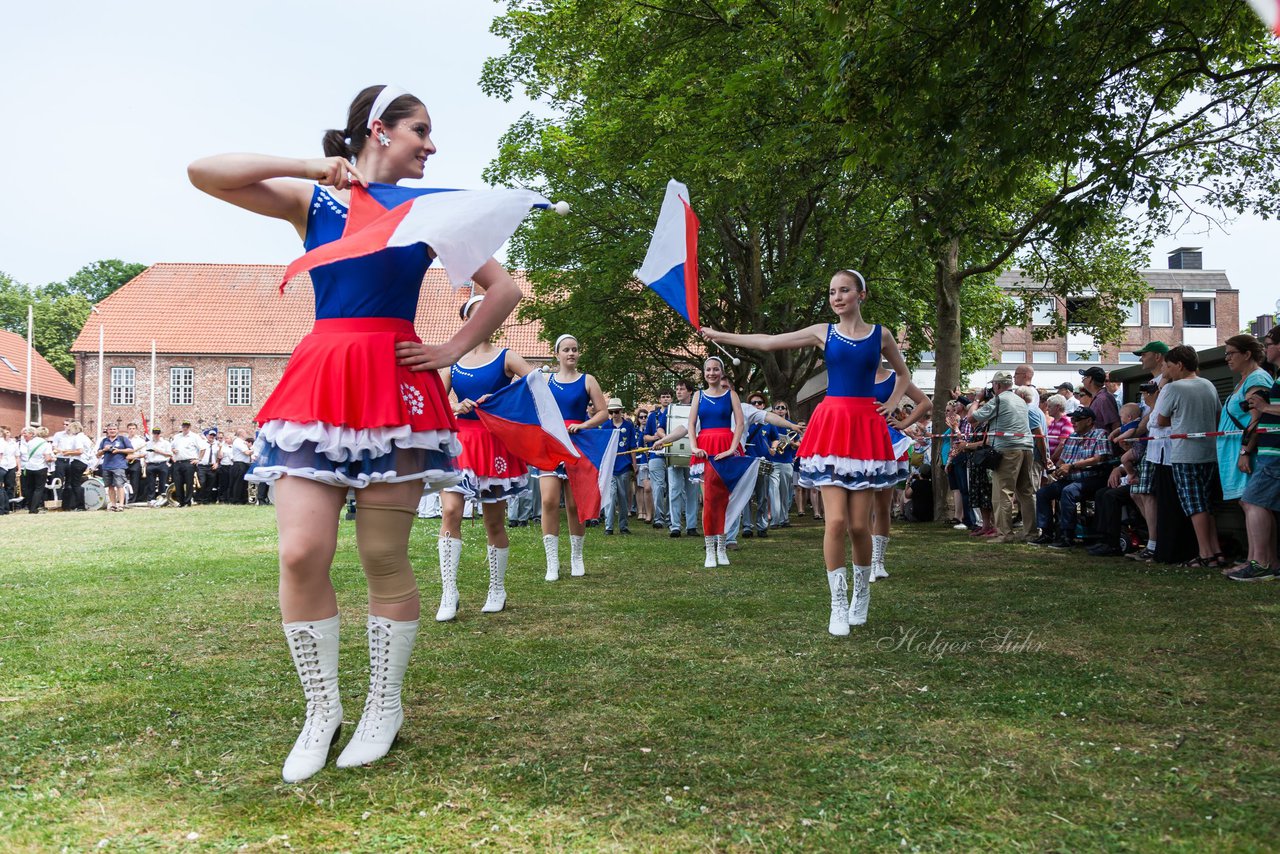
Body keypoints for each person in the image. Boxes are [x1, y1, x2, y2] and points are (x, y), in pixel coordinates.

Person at [188, 84, 522, 782]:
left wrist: (453, 349)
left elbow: (505, 290)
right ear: (379, 128)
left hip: (395, 386)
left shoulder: (430, 211)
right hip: (321, 377)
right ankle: (321, 710)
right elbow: (205, 171)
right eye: (420, 130)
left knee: (382, 556)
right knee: (301, 552)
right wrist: (313, 166)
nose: (431, 145)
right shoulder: (318, 202)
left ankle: (384, 706)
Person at [702, 269, 910, 636]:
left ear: (861, 294)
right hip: (831, 425)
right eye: (832, 292)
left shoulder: (882, 335)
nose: (837, 297)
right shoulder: (822, 332)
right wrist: (720, 335)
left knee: (860, 525)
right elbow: (768, 342)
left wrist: (891, 404)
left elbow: (904, 376)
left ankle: (861, 596)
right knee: (835, 523)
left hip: (864, 428)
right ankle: (837, 606)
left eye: (844, 290)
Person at [437, 294, 535, 619]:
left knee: (494, 520)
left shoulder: (506, 356)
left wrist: (503, 397)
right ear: (467, 321)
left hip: (494, 444)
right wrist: (455, 406)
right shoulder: (454, 361)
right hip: (460, 443)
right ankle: (448, 592)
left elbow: (537, 383)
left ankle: (497, 588)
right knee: (451, 511)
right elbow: (435, 400)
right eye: (478, 314)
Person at [537, 334, 609, 580]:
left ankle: (576, 557)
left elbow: (603, 413)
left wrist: (584, 425)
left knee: (575, 503)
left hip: (578, 443)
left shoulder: (587, 380)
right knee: (548, 501)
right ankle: (552, 562)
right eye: (566, 349)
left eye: (575, 349)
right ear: (557, 354)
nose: (571, 353)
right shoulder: (546, 381)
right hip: (552, 443)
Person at [1153, 345, 1225, 568]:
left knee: (1194, 505)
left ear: (1180, 365)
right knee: (1207, 504)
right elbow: (1218, 414)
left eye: (1170, 366)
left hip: (1185, 454)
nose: (1168, 370)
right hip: (1209, 452)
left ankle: (1205, 554)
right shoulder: (1208, 385)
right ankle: (1216, 551)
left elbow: (1160, 419)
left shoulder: (1175, 388)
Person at [870, 366, 931, 577]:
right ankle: (865, 560)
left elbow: (925, 402)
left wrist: (903, 423)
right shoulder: (854, 372)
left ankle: (878, 561)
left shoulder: (894, 377)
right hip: (859, 440)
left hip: (886, 443)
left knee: (882, 506)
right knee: (861, 508)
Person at [685, 357, 745, 566]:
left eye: (715, 369)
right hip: (705, 449)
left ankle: (722, 546)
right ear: (704, 373)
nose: (712, 373)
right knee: (709, 500)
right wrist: (693, 446)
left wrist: (732, 448)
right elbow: (691, 424)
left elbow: (739, 424)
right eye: (708, 370)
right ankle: (710, 549)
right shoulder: (698, 396)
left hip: (727, 446)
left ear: (721, 372)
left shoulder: (731, 395)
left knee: (726, 500)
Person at [1231, 328, 1280, 580]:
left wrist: (1264, 406)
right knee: (1259, 503)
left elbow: (1261, 415)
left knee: (1253, 501)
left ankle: (1260, 563)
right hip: (1270, 452)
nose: (1266, 349)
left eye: (1269, 343)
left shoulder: (1263, 379)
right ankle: (1269, 562)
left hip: (1275, 454)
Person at [969, 372, 1036, 543]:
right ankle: (1031, 532)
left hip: (1007, 449)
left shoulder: (998, 400)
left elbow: (972, 418)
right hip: (1027, 447)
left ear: (997, 385)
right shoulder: (1020, 400)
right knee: (1026, 492)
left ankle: (1005, 534)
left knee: (1002, 493)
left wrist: (977, 400)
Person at [1218, 335, 1273, 508]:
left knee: (1253, 504)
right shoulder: (1244, 381)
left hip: (1246, 455)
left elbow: (1257, 419)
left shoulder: (1256, 379)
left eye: (1231, 353)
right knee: (1248, 504)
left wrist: (1245, 453)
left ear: (1247, 354)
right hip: (1234, 454)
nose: (1227, 358)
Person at [665, 379, 701, 537]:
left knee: (692, 491)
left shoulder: (698, 409)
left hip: (692, 454)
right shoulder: (670, 408)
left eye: (682, 389)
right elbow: (663, 428)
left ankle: (691, 526)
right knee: (674, 491)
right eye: (677, 389)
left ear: (690, 391)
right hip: (673, 453)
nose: (678, 392)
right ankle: (675, 526)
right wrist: (664, 440)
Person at [644, 390, 674, 530]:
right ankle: (658, 517)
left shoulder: (674, 414)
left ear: (671, 399)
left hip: (673, 454)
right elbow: (646, 437)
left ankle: (670, 517)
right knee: (658, 487)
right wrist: (657, 438)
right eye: (663, 396)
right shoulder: (652, 416)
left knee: (672, 487)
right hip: (656, 455)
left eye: (668, 396)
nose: (666, 399)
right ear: (659, 399)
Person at [53, 421, 93, 511]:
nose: (69, 431)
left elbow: (80, 451)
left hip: (77, 461)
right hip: (84, 462)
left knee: (75, 484)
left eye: (70, 429)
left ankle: (80, 505)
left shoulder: (77, 438)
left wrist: (67, 452)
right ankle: (75, 504)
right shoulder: (85, 437)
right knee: (75, 483)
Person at [97, 424, 132, 511]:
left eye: (114, 429)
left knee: (119, 485)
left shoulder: (123, 439)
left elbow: (131, 450)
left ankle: (121, 505)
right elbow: (98, 454)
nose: (112, 431)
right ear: (107, 431)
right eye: (110, 429)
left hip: (119, 466)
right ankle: (113, 504)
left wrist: (118, 450)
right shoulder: (104, 441)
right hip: (106, 466)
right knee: (110, 486)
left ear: (117, 430)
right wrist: (104, 450)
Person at [19, 427, 55, 513]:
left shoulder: (30, 443)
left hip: (29, 467)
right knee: (38, 489)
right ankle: (33, 509)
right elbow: (47, 458)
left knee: (30, 488)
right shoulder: (46, 444)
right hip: (40, 467)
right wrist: (53, 459)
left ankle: (30, 506)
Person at [170, 421, 204, 507]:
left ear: (190, 427)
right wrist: (173, 450)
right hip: (178, 462)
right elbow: (171, 447)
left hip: (189, 462)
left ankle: (187, 502)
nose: (185, 428)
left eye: (187, 426)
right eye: (184, 426)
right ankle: (181, 502)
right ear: (181, 427)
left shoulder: (194, 436)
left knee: (189, 483)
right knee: (178, 483)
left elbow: (203, 448)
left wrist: (198, 459)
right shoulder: (177, 437)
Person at [1078, 366, 1120, 434]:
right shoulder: (1099, 398)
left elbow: (1115, 424)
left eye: (1084, 378)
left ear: (1090, 379)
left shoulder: (1103, 399)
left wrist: (1111, 442)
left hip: (1103, 442)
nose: (1082, 381)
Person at [142, 427, 174, 507]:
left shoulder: (165, 443)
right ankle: (151, 499)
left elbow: (170, 454)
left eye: (158, 433)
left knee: (163, 482)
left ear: (160, 434)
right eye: (155, 433)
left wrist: (159, 451)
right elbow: (145, 454)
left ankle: (162, 499)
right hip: (151, 464)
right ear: (152, 434)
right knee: (151, 483)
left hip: (162, 463)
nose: (156, 435)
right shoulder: (148, 443)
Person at [0, 426, 16, 515]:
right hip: (4, 466)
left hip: (2, 466)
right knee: (2, 489)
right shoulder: (3, 442)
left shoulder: (1, 442)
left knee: (1, 489)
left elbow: (0, 455)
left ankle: (2, 510)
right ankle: (6, 509)